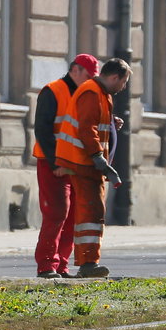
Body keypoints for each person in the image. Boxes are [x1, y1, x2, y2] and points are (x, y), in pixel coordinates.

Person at [54, 58, 132, 278]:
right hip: (84, 162)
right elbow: (86, 127)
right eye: (124, 82)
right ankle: (88, 263)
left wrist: (110, 120)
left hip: (87, 161)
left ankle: (87, 261)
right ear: (115, 77)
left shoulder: (100, 93)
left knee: (91, 211)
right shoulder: (92, 92)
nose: (123, 87)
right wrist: (98, 157)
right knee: (92, 211)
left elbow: (92, 122)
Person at [32, 54, 99, 279]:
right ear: (75, 70)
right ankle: (46, 266)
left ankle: (61, 266)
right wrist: (56, 162)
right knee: (56, 212)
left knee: (72, 216)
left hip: (76, 164)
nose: (90, 81)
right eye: (88, 76)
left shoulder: (86, 94)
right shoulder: (52, 91)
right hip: (54, 164)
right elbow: (42, 129)